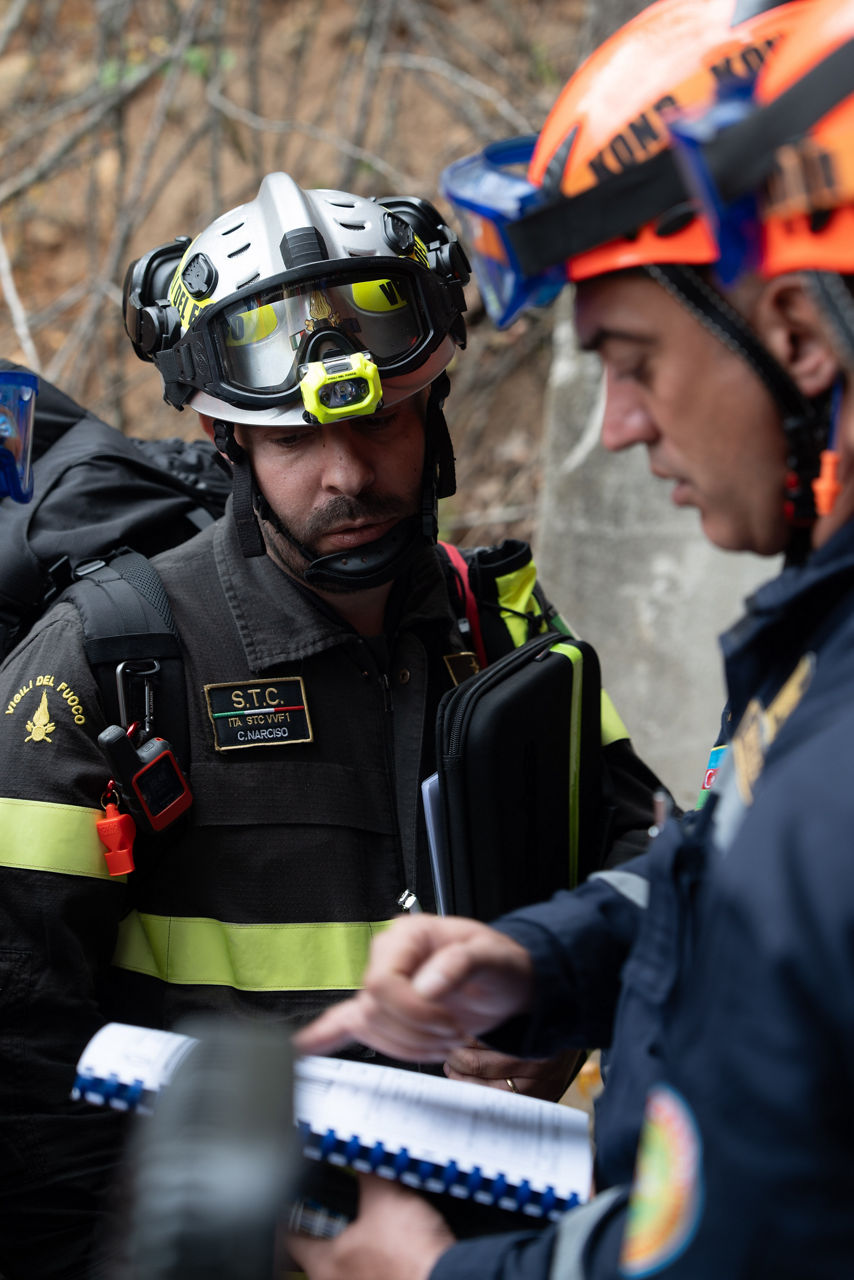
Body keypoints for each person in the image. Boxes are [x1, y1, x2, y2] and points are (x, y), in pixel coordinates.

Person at [0, 174, 664, 1278]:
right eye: (295, 441)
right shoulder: (106, 663)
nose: (348, 474)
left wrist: (552, 1000)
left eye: (382, 420)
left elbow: (645, 858)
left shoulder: (500, 624)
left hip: (464, 1240)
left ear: (432, 404)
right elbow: (16, 1037)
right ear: (225, 437)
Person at [289, 0, 854, 1275]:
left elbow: (739, 1245)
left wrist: (430, 1275)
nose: (619, 425)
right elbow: (737, 878)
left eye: (634, 360)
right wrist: (537, 961)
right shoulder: (819, 642)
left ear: (795, 337)